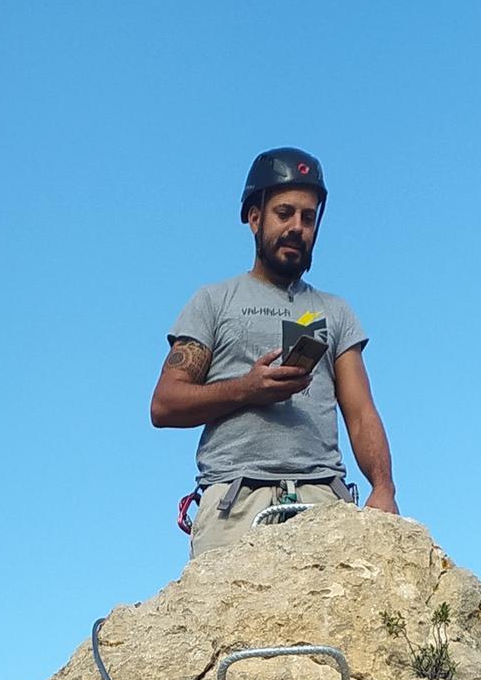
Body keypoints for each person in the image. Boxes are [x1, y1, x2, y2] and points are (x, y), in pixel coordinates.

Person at [151, 148, 398, 557]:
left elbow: (361, 412)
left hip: (324, 500)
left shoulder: (334, 311)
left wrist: (384, 488)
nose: (297, 227)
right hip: (234, 501)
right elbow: (163, 405)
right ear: (253, 218)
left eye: (309, 217)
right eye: (284, 213)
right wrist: (248, 389)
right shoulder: (213, 301)